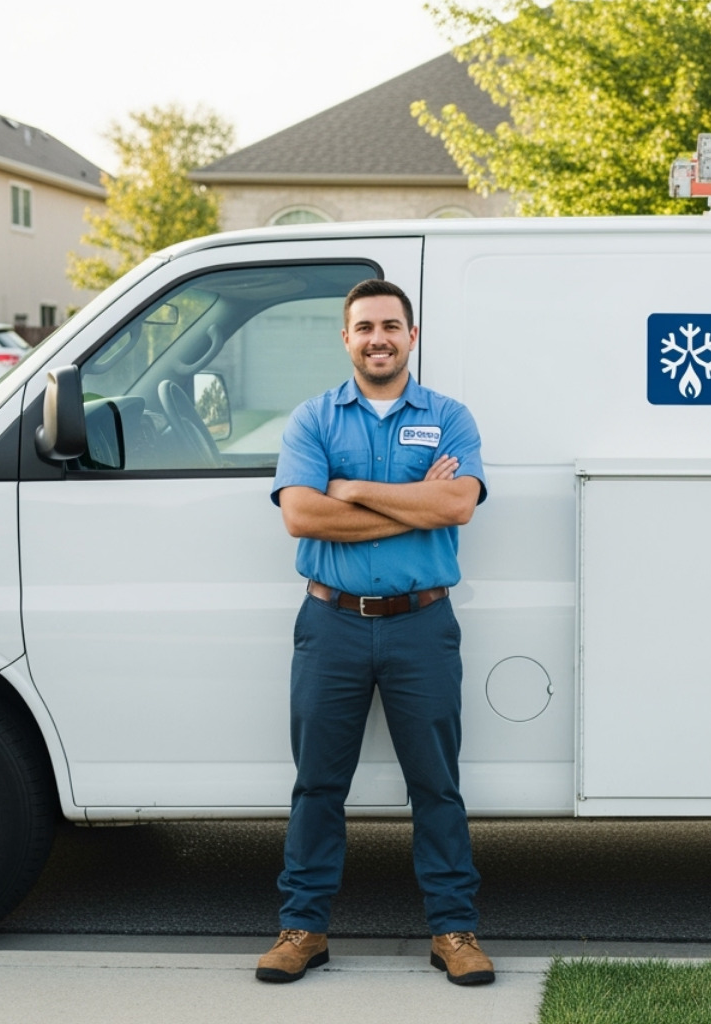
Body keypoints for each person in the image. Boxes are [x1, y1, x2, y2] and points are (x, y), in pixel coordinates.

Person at [257, 278, 492, 986]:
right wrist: (416, 502)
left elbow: (458, 505)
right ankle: (302, 928)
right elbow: (301, 515)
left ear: (411, 336)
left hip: (423, 625)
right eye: (364, 328)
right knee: (318, 785)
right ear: (346, 339)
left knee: (437, 785)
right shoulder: (313, 419)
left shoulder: (450, 417)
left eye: (391, 326)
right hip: (330, 624)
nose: (378, 339)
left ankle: (453, 930)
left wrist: (353, 489)